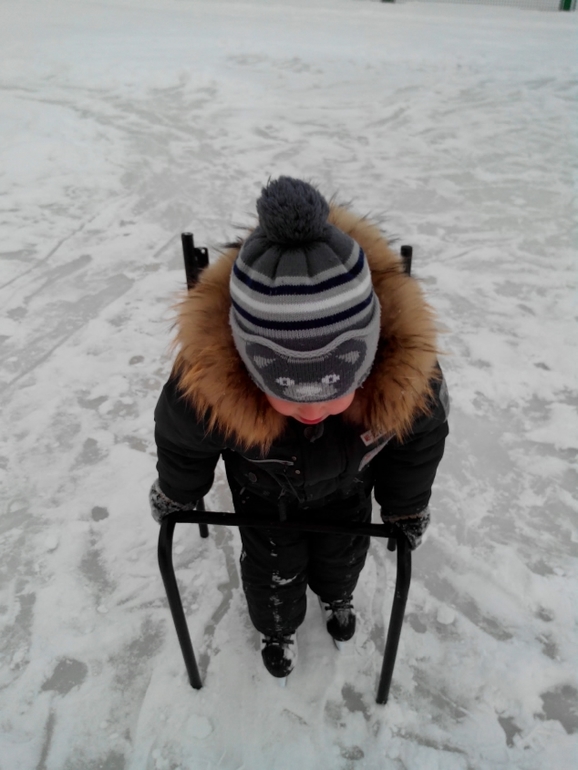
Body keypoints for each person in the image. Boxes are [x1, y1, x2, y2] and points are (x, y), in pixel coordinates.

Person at [150, 176, 449, 681]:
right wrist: (178, 493)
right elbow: (182, 441)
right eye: (286, 393)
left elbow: (418, 444)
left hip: (348, 494)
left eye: (333, 391)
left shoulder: (402, 383)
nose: (312, 412)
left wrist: (406, 505)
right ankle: (277, 627)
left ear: (367, 362)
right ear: (248, 370)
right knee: (271, 571)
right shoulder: (209, 387)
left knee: (343, 557)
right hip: (264, 500)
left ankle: (337, 597)